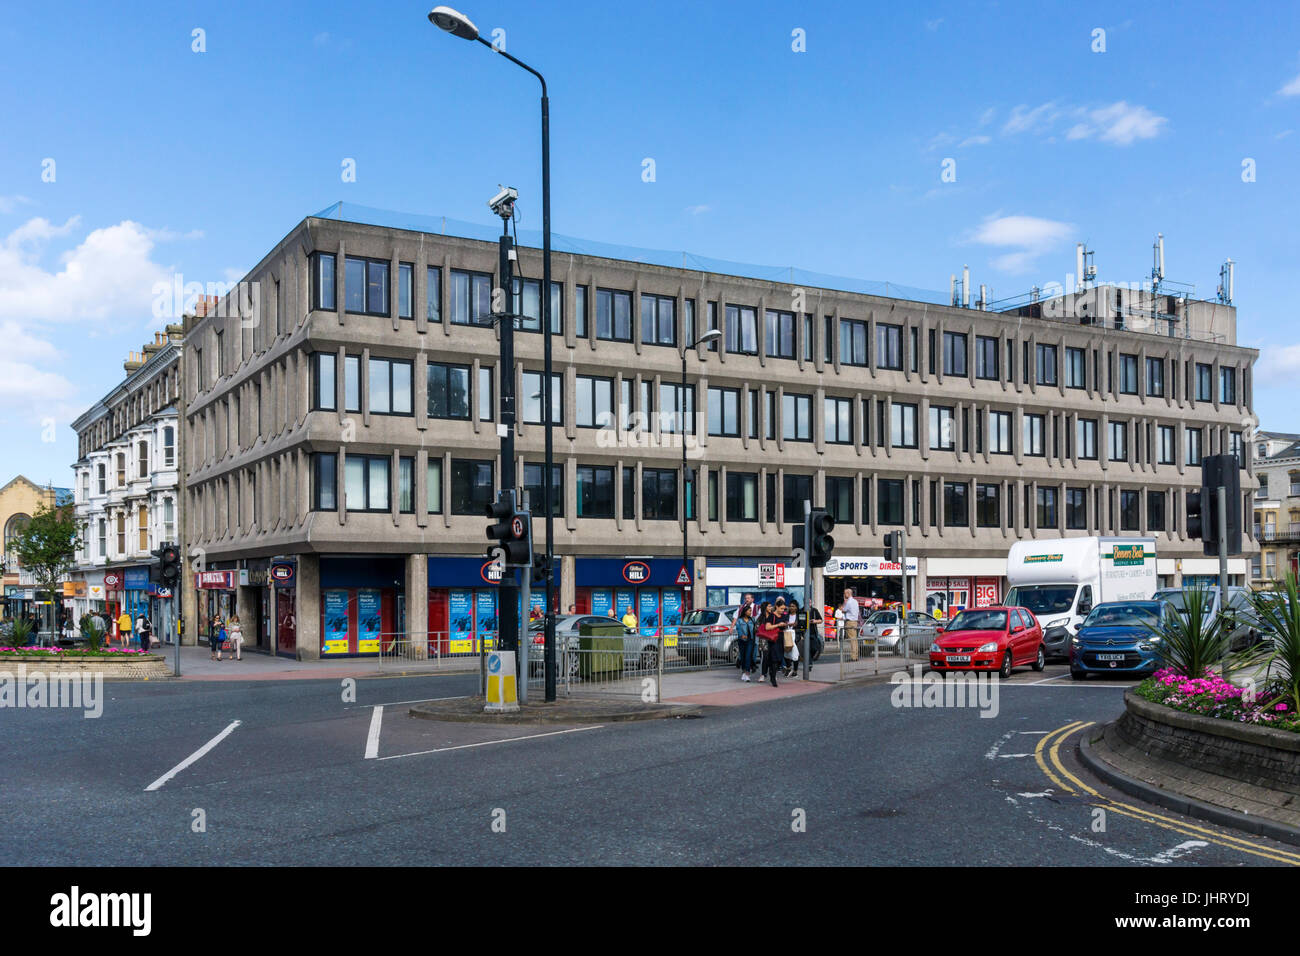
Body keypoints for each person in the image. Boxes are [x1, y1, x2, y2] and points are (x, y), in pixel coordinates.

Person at [756, 603, 783, 687]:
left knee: (773, 658)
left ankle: (772, 674)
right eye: (769, 606)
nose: (771, 608)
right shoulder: (761, 618)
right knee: (765, 657)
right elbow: (757, 628)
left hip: (773, 639)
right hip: (764, 640)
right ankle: (763, 674)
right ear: (765, 608)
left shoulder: (773, 616)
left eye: (771, 606)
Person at [734, 604, 756, 682]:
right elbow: (738, 628)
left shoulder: (752, 619)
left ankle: (747, 673)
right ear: (745, 611)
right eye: (749, 610)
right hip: (742, 640)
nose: (751, 612)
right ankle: (743, 672)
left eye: (751, 610)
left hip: (750, 640)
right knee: (743, 657)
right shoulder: (739, 620)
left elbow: (755, 629)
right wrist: (741, 635)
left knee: (748, 656)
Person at [840, 588, 861, 661]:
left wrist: (844, 600)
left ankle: (853, 657)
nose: (844, 595)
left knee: (852, 640)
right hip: (855, 621)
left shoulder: (848, 602)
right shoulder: (855, 601)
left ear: (848, 594)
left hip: (849, 621)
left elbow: (843, 610)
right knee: (854, 639)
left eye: (845, 593)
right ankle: (856, 656)